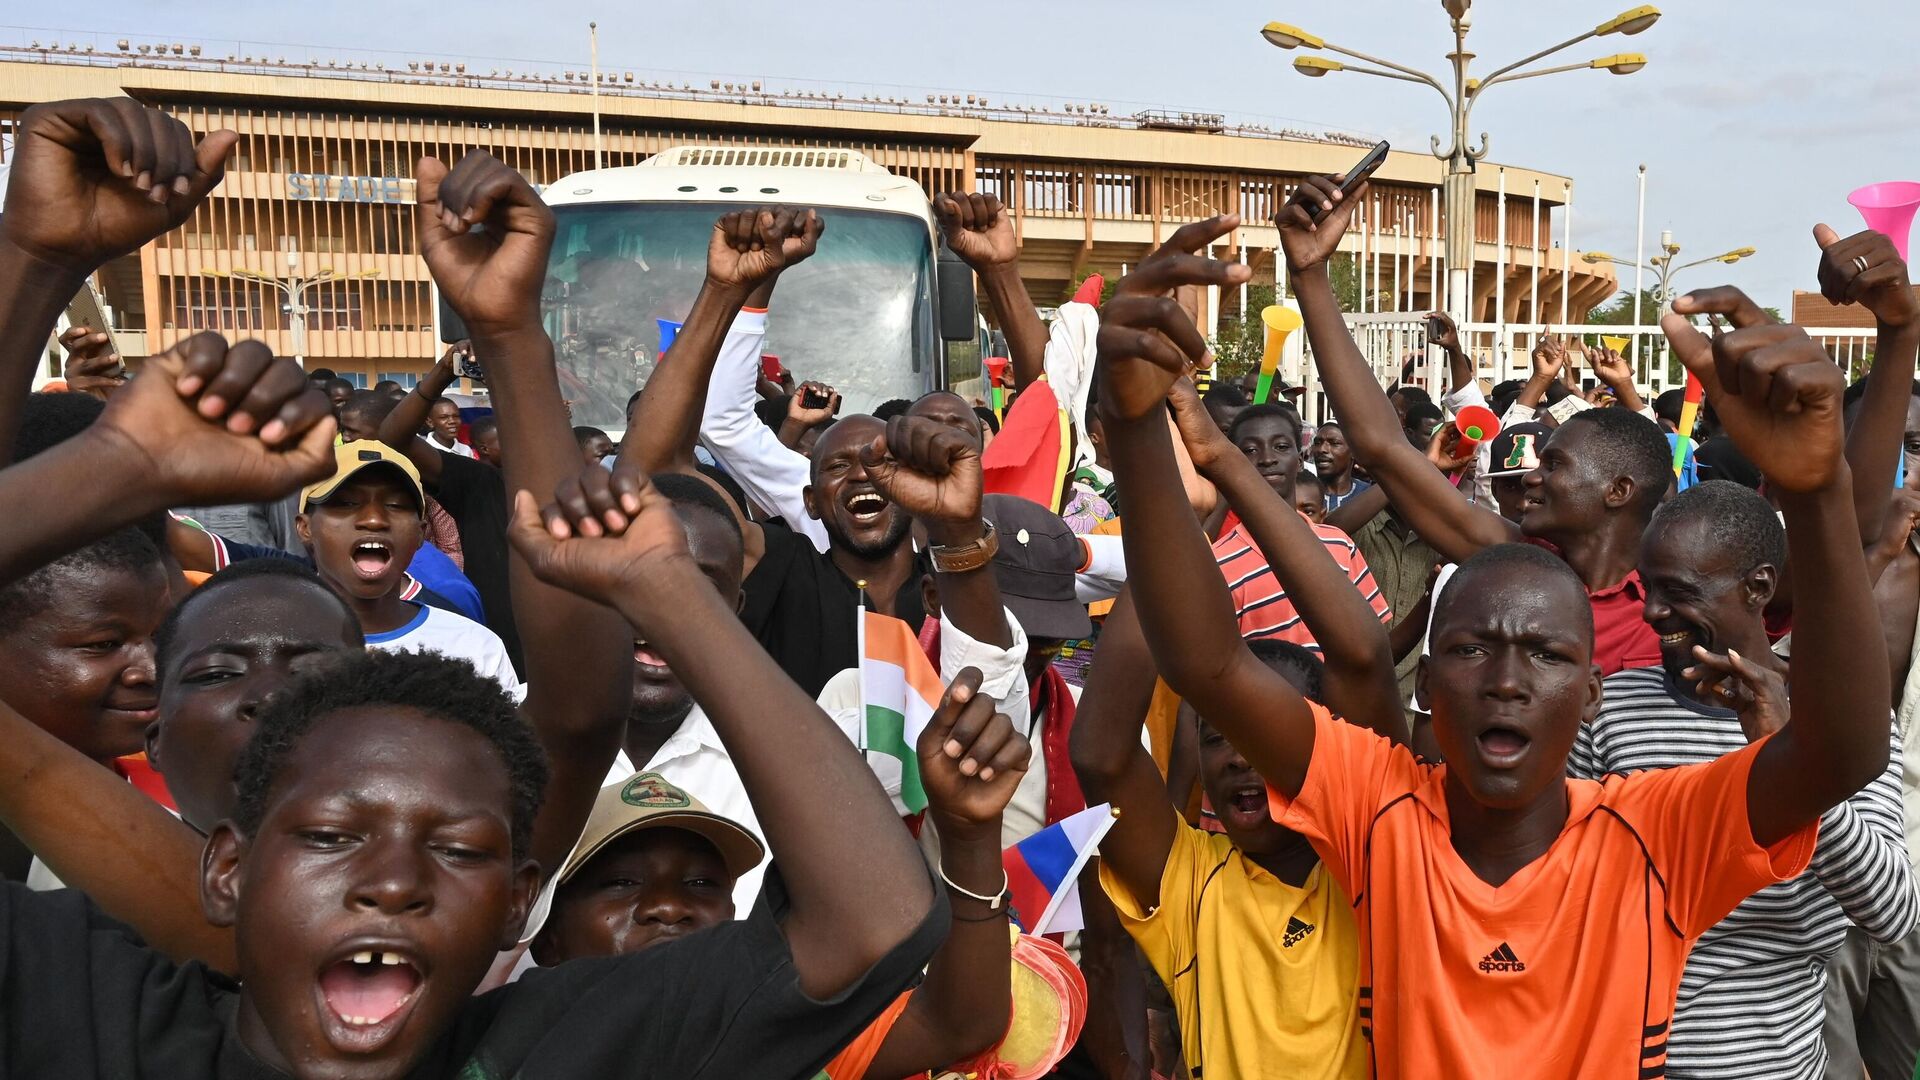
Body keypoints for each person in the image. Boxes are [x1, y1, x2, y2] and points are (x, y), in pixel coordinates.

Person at [1092, 197, 1891, 1074]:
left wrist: (1819, 490)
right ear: (1425, 686)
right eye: (1473, 649)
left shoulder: (1656, 835)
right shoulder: (1380, 812)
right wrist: (1137, 429)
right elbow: (1208, 664)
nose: (1508, 679)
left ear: (1592, 693)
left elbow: (1841, 753)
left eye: (1546, 654)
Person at [1569, 479, 1916, 1076]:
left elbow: (1891, 911)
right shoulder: (1608, 712)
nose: (1652, 611)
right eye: (1649, 587)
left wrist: (1790, 756)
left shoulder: (1841, 724)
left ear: (1758, 587)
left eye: (1677, 592)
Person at [1286, 175, 1668, 677]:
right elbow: (1381, 447)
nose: (1532, 477)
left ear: (1618, 489)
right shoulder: (1511, 558)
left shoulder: (1678, 599)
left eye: (1554, 465)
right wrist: (1310, 274)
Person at [296, 440, 518, 692]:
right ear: (305, 528)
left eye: (395, 505)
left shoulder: (473, 645)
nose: (374, 520)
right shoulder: (270, 641)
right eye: (346, 504)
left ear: (420, 533)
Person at [377, 346, 521, 674]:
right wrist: (443, 371)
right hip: (495, 658)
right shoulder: (481, 483)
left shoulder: (581, 489)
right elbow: (393, 436)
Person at [1212, 401, 1390, 651]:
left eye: (1281, 447)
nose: (1267, 458)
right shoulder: (1219, 563)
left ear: (1300, 459)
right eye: (1250, 450)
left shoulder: (1339, 545)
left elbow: (1374, 645)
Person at [1309, 421, 1369, 512]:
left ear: (1353, 451)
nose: (1322, 449)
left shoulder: (1367, 493)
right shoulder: (1302, 492)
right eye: (1317, 443)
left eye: (1334, 443)